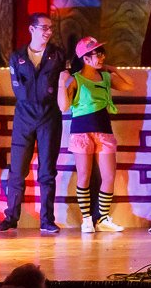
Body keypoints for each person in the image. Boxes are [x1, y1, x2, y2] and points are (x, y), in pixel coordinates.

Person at [0, 12, 69, 235]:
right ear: (31, 29)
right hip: (24, 117)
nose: (48, 32)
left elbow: (64, 82)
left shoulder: (58, 55)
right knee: (17, 170)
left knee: (47, 171)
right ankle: (11, 217)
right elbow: (19, 90)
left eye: (50, 28)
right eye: (44, 28)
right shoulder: (17, 56)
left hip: (49, 116)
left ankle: (47, 220)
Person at [58, 36, 137, 233]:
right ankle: (86, 219)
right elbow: (63, 106)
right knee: (84, 175)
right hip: (81, 132)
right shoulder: (76, 79)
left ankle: (102, 218)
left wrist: (114, 69)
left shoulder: (105, 77)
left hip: (104, 131)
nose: (101, 57)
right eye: (97, 54)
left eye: (102, 53)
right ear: (85, 58)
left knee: (108, 176)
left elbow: (129, 85)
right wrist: (61, 83)